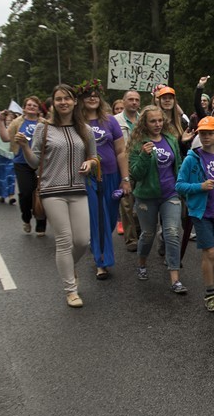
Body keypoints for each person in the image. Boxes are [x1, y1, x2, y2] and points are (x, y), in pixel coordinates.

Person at [14, 84, 98, 308]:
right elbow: (34, 163)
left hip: (79, 189)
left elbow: (94, 157)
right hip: (52, 191)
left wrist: (90, 163)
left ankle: (69, 269)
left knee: (82, 240)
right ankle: (71, 290)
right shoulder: (44, 129)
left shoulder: (85, 130)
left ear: (74, 102)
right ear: (53, 103)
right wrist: (24, 147)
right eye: (58, 99)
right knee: (63, 241)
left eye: (67, 99)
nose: (63, 102)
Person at [176, 116, 214, 312]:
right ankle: (210, 293)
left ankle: (213, 275)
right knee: (209, 252)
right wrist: (200, 186)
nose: (206, 137)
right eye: (202, 133)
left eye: (210, 133)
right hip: (201, 212)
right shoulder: (191, 159)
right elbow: (179, 185)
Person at [128, 105, 187, 294]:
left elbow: (177, 164)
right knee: (148, 234)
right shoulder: (138, 143)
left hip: (170, 194)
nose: (157, 124)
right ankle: (142, 263)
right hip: (147, 196)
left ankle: (175, 279)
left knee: (172, 233)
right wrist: (145, 156)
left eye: (160, 120)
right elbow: (135, 173)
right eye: (153, 121)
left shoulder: (170, 139)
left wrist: (181, 187)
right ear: (144, 123)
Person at [76, 79, 131, 280]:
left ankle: (98, 246)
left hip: (112, 175)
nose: (92, 97)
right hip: (89, 178)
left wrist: (125, 179)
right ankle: (102, 262)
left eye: (96, 94)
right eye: (88, 94)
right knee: (98, 217)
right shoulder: (76, 122)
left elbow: (120, 151)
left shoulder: (110, 121)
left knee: (108, 219)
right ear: (81, 99)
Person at [5, 96, 47, 235]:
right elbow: (6, 137)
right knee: (26, 193)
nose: (31, 107)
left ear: (39, 109)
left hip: (41, 163)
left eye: (34, 105)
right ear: (24, 107)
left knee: (43, 193)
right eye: (29, 105)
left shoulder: (45, 123)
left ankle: (41, 223)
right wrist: (0, 123)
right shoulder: (17, 122)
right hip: (22, 163)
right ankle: (26, 218)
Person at [114, 89, 142, 252]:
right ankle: (131, 238)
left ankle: (138, 229)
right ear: (123, 102)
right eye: (130, 99)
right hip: (124, 164)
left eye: (137, 100)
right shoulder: (115, 121)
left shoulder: (143, 120)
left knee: (141, 201)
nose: (134, 102)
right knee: (127, 202)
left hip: (141, 163)